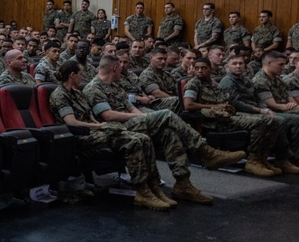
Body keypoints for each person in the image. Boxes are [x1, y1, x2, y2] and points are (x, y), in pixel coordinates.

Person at [84, 55, 244, 204]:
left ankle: (183, 183)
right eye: (120, 67)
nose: (124, 70)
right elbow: (108, 115)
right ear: (115, 68)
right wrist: (140, 118)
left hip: (132, 121)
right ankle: (205, 151)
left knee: (169, 132)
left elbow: (131, 107)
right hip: (116, 128)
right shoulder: (93, 88)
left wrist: (143, 117)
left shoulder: (115, 85)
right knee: (166, 114)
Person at [49, 60, 175, 210]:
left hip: (93, 131)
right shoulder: (59, 95)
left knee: (144, 139)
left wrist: (100, 126)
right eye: (81, 74)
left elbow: (90, 117)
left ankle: (153, 186)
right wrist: (99, 126)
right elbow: (72, 123)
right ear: (72, 75)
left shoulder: (77, 93)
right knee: (133, 141)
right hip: (79, 136)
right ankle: (142, 192)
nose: (83, 77)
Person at [183, 57, 288, 177]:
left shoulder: (214, 83)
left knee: (274, 120)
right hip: (215, 121)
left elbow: (226, 100)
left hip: (229, 115)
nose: (200, 71)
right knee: (261, 122)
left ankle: (262, 159)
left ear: (210, 69)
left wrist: (227, 106)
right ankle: (253, 161)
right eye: (197, 68)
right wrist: (216, 106)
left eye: (203, 68)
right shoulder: (193, 84)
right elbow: (188, 104)